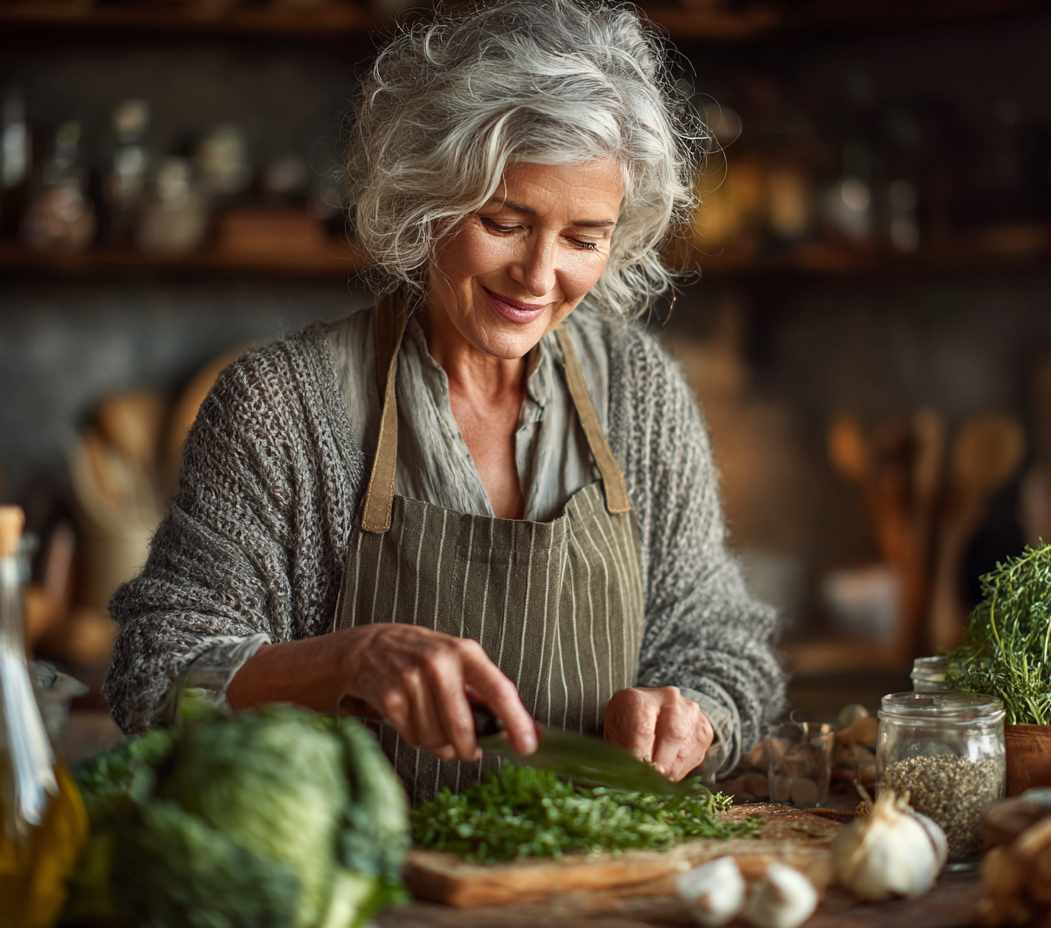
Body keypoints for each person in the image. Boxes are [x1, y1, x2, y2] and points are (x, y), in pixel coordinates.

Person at [105, 0, 786, 805]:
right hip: (358, 893)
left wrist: (694, 712)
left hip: (596, 884)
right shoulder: (281, 407)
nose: (538, 277)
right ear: (427, 197)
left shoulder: (638, 393)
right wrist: (347, 661)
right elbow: (155, 673)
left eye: (583, 238)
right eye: (505, 221)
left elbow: (720, 640)